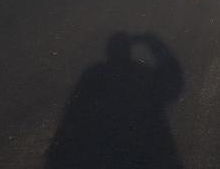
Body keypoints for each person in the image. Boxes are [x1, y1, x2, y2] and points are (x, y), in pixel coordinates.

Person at [45, 32, 183, 169]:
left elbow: (73, 112)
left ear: (108, 52)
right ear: (128, 52)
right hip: (141, 148)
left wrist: (59, 148)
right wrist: (153, 42)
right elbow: (172, 82)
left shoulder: (95, 75)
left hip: (106, 149)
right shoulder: (141, 74)